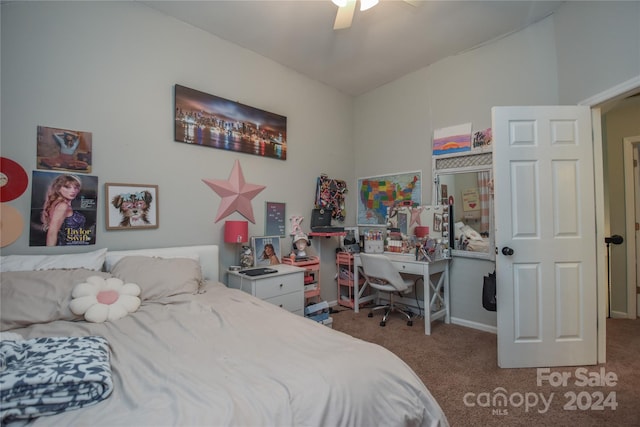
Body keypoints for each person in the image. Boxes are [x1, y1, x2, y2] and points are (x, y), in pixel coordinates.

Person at [40, 174, 87, 246]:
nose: (73, 191)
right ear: (58, 188)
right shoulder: (62, 206)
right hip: (68, 247)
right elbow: (52, 233)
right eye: (67, 187)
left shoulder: (58, 204)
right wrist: (50, 254)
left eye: (76, 187)